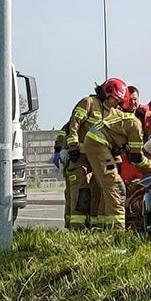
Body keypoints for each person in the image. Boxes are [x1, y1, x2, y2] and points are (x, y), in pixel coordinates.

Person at [77, 79, 148, 230]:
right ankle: (117, 231)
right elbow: (137, 158)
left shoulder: (121, 116)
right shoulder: (136, 125)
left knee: (105, 189)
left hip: (98, 146)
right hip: (96, 146)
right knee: (115, 187)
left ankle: (103, 227)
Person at [55, 86, 102, 230]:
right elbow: (68, 130)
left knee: (91, 193)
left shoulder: (106, 112)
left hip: (92, 158)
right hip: (75, 157)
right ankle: (74, 227)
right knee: (76, 193)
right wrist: (61, 149)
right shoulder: (84, 110)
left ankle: (87, 225)